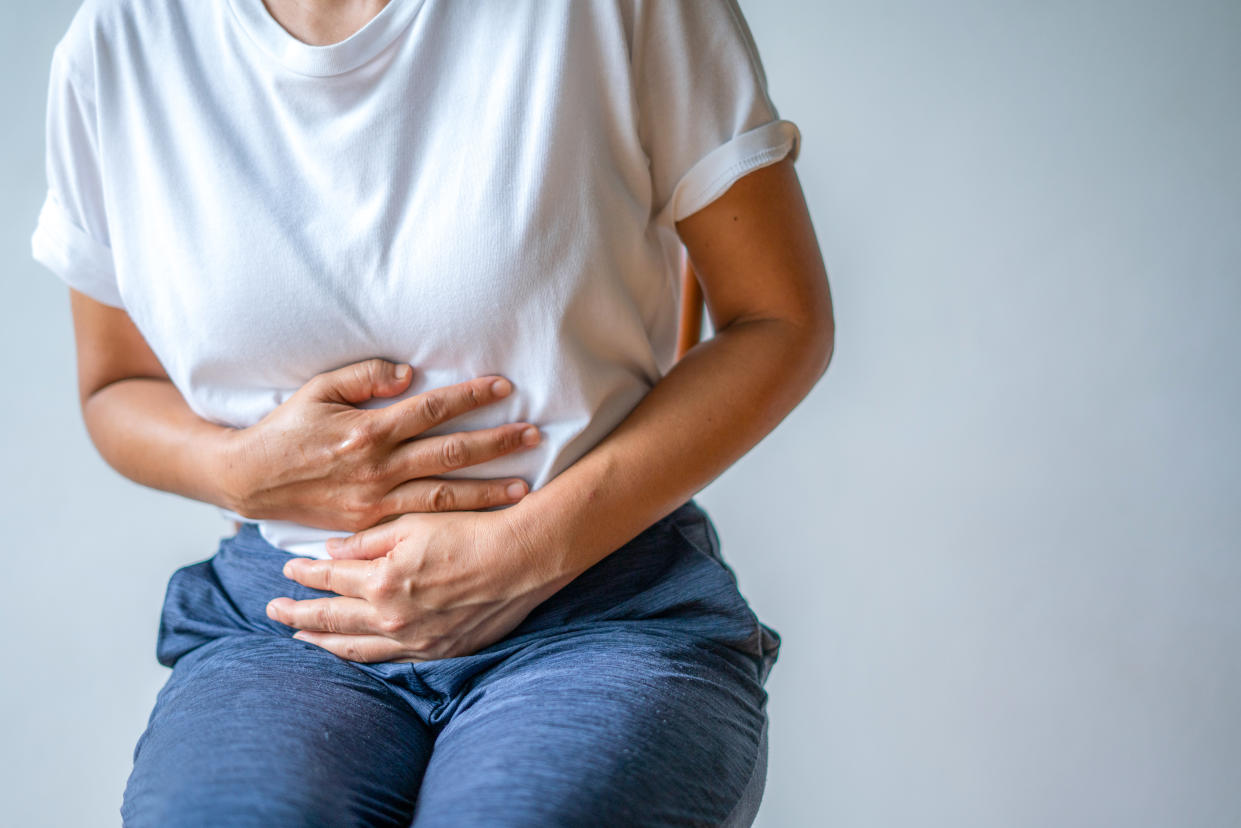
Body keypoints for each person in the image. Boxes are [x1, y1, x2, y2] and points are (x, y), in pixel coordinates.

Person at [31, 0, 834, 825]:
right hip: (292, 618)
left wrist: (529, 550)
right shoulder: (119, 41)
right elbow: (115, 385)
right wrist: (235, 471)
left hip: (595, 609)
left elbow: (777, 318)